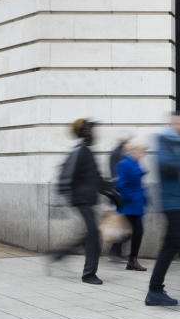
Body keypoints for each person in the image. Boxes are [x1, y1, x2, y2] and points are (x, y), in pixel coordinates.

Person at [48, 118, 117, 284]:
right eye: (91, 129)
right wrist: (70, 197)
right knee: (94, 236)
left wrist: (112, 192)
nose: (94, 132)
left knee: (89, 235)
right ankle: (88, 274)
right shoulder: (80, 151)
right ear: (83, 131)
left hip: (87, 199)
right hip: (81, 200)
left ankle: (59, 254)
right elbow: (65, 177)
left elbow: (96, 180)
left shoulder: (86, 151)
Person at [147, 112, 180, 306]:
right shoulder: (165, 140)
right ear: (175, 123)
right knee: (176, 244)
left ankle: (155, 290)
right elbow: (164, 164)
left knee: (171, 245)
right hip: (174, 203)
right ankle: (155, 289)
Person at [115, 139, 148, 272]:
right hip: (130, 204)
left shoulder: (134, 162)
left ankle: (130, 259)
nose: (143, 154)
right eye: (142, 151)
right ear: (135, 151)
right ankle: (131, 260)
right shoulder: (124, 164)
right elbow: (121, 185)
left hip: (137, 204)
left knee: (135, 231)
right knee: (137, 231)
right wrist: (131, 197)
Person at [107, 136, 133, 260]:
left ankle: (115, 252)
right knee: (122, 225)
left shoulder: (116, 153)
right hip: (120, 194)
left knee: (122, 225)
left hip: (118, 194)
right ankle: (114, 252)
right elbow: (118, 177)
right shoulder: (120, 154)